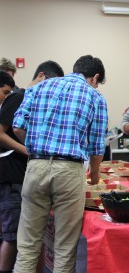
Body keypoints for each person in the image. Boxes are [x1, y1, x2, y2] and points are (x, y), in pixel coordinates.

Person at [12, 55, 108, 272]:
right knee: (64, 248)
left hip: (36, 166)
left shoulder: (38, 88)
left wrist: (36, 148)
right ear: (95, 77)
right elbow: (96, 146)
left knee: (27, 246)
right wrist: (94, 175)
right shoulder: (95, 96)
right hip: (69, 170)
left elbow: (17, 126)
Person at [0, 61, 64, 273]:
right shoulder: (18, 97)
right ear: (42, 76)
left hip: (26, 175)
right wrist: (30, 150)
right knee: (14, 238)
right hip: (12, 177)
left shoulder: (33, 100)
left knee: (29, 238)